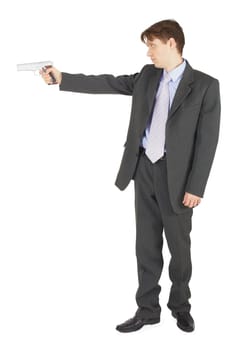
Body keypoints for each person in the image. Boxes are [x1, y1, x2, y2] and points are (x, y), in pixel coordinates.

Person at [40, 19, 221, 333]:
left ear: (172, 43)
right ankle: (147, 310)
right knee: (146, 246)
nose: (149, 52)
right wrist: (62, 78)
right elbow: (108, 83)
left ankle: (181, 306)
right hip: (144, 170)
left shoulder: (205, 85)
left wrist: (196, 186)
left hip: (178, 180)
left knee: (180, 250)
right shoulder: (147, 77)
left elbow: (208, 140)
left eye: (152, 45)